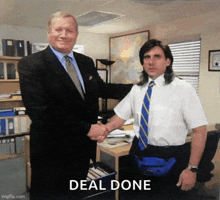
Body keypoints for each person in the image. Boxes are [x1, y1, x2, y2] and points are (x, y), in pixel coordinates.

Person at [18, 11, 132, 200]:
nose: (64, 34)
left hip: (80, 150)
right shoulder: (31, 64)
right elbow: (41, 113)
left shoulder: (85, 62)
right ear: (49, 32)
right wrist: (87, 128)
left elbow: (102, 88)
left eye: (69, 30)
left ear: (76, 34)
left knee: (74, 194)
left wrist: (139, 88)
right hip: (51, 152)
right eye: (58, 29)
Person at [95, 39, 214, 199]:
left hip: (169, 157)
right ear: (142, 62)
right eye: (146, 57)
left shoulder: (183, 89)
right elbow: (121, 116)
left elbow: (200, 131)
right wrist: (106, 128)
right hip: (138, 152)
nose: (151, 61)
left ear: (167, 61)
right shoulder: (137, 89)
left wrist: (192, 169)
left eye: (157, 56)